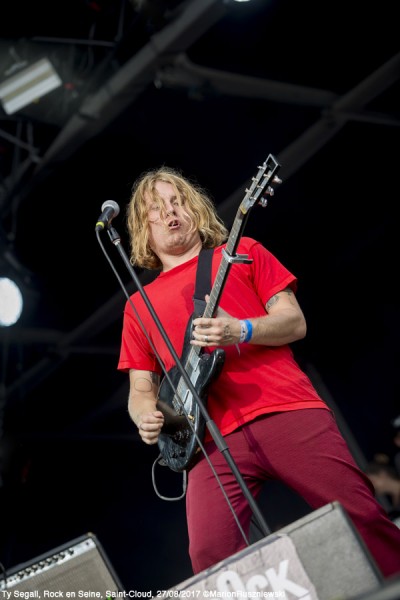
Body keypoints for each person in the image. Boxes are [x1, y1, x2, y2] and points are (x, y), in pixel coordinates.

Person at [117, 165, 400, 579]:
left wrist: (242, 329)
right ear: (144, 226)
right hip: (208, 439)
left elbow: (295, 321)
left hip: (284, 408)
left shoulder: (243, 250)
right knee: (212, 558)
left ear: (194, 209)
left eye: (177, 202)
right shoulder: (138, 306)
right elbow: (141, 386)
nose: (171, 212)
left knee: (357, 514)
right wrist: (144, 415)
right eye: (157, 208)